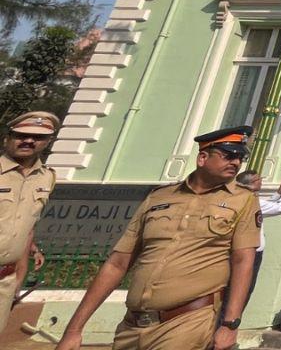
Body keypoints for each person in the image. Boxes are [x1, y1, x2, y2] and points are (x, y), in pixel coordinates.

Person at [55, 125, 259, 350]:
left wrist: (230, 325)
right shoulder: (159, 197)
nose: (236, 163)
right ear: (202, 157)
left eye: (240, 158)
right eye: (229, 156)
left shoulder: (243, 200)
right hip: (132, 325)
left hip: (188, 321)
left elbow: (243, 261)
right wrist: (74, 329)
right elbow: (117, 263)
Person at [1, 111, 59, 334]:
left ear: (47, 142)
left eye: (37, 137)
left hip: (5, 279)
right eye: (21, 135)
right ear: (8, 137)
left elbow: (26, 229)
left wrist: (18, 278)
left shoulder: (46, 178)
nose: (28, 141)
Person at [231, 171, 281, 304]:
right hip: (251, 252)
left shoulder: (242, 199)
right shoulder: (251, 201)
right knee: (243, 289)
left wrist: (279, 193)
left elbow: (264, 207)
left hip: (240, 250)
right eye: (259, 180)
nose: (261, 182)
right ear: (253, 183)